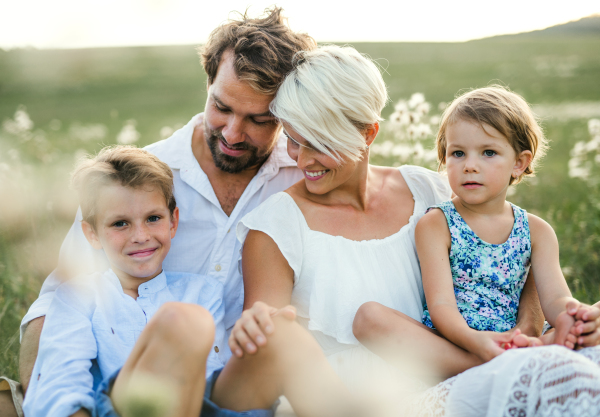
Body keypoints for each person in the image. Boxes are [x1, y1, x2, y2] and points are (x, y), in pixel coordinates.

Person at [233, 46, 600, 415]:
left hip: (473, 368)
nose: (303, 159)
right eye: (295, 140)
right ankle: (505, 370)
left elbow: (514, 265)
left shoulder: (429, 190)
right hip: (354, 402)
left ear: (368, 133)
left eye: (321, 143)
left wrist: (553, 326)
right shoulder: (276, 226)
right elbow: (270, 345)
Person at [0, 7, 316, 417]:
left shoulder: (303, 178)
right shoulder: (137, 184)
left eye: (259, 119)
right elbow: (54, 312)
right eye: (222, 107)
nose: (234, 133)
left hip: (232, 388)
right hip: (129, 384)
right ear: (208, 84)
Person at [24, 145, 359, 417]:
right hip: (128, 407)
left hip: (203, 404)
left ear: (173, 222)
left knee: (281, 331)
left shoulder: (201, 291)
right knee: (181, 320)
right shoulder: (79, 295)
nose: (140, 236)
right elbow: (60, 381)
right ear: (91, 233)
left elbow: (211, 378)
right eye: (120, 224)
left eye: (153, 218)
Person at [415, 86, 599, 362]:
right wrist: (475, 340)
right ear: (444, 159)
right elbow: (440, 305)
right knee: (375, 319)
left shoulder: (537, 231)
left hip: (516, 339)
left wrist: (573, 315)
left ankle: (550, 342)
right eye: (458, 153)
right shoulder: (437, 223)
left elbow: (555, 299)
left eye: (488, 152)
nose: (470, 166)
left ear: (519, 163)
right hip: (459, 342)